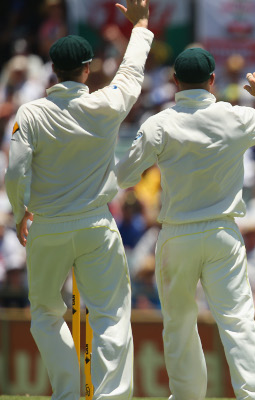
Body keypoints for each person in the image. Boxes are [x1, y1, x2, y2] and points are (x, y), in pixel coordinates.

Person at [115, 47, 255, 400]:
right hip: (222, 232)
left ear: (175, 81)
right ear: (213, 80)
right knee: (238, 320)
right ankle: (254, 396)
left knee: (178, 324)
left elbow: (124, 176)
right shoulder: (232, 116)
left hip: (177, 234)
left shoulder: (159, 123)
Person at [4, 0, 153, 398]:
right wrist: (139, 26)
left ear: (54, 69)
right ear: (87, 69)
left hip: (47, 226)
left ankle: (68, 394)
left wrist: (20, 213)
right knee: (111, 316)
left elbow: (15, 171)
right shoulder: (104, 104)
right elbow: (131, 73)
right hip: (94, 225)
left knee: (45, 316)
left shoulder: (32, 113)